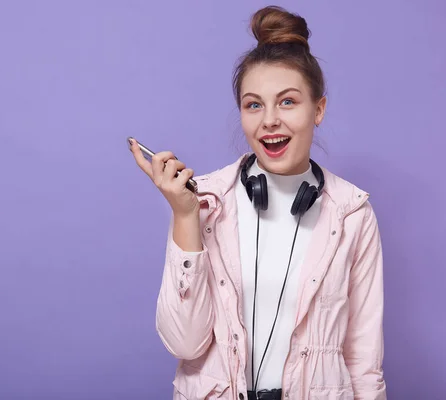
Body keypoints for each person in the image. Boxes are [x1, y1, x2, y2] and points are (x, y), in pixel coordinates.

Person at [129, 5, 386, 400]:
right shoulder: (205, 202)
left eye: (287, 102)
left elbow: (364, 362)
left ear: (318, 109)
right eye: (254, 104)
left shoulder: (352, 213)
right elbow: (184, 344)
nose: (269, 120)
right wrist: (184, 215)